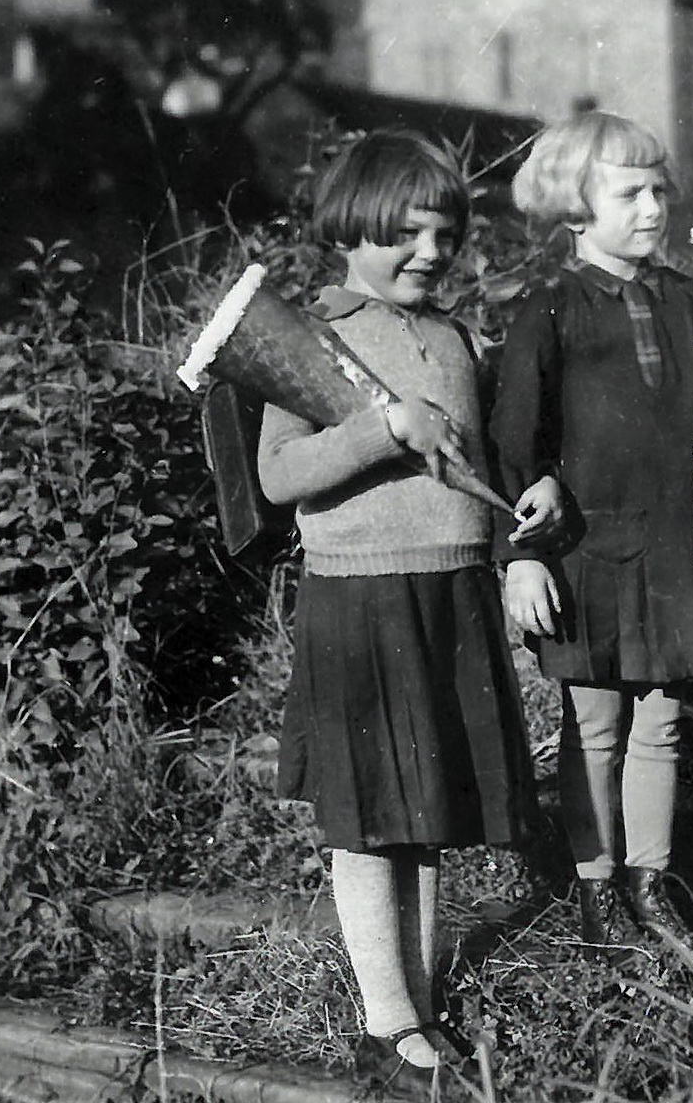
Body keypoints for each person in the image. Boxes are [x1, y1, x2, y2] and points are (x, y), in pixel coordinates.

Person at [258, 130, 535, 1097]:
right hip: (361, 597)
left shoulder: (460, 337)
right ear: (351, 227)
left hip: (451, 589)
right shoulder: (308, 338)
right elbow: (280, 473)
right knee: (370, 816)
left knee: (426, 809)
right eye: (406, 235)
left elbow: (485, 460)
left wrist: (526, 501)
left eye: (445, 237)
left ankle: (415, 1008)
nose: (429, 253)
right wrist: (379, 427)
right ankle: (388, 1024)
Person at [489, 111, 693, 951]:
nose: (653, 207)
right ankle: (592, 888)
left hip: (676, 548)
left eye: (659, 188)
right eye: (629, 192)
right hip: (587, 549)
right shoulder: (546, 312)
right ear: (574, 206)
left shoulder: (689, 296)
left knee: (660, 722)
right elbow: (514, 445)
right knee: (592, 726)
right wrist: (518, 556)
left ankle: (647, 884)